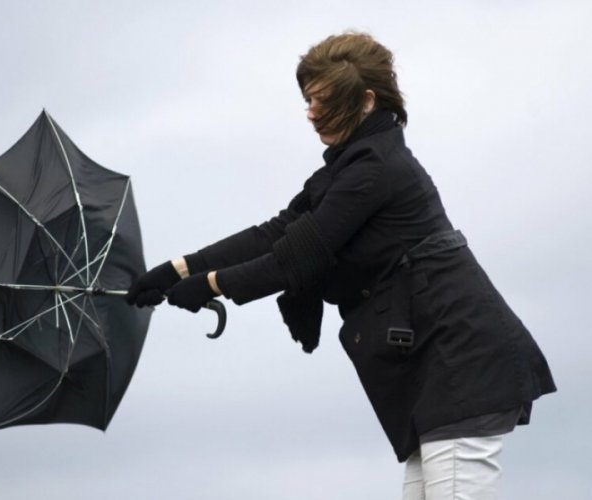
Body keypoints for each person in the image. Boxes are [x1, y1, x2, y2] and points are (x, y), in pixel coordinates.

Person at [126, 31, 556, 499]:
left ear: (367, 101)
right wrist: (178, 269)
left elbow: (294, 257)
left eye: (323, 101)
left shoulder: (375, 170)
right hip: (437, 380)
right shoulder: (348, 168)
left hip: (461, 369)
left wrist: (210, 285)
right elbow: (276, 232)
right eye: (308, 99)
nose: (311, 112)